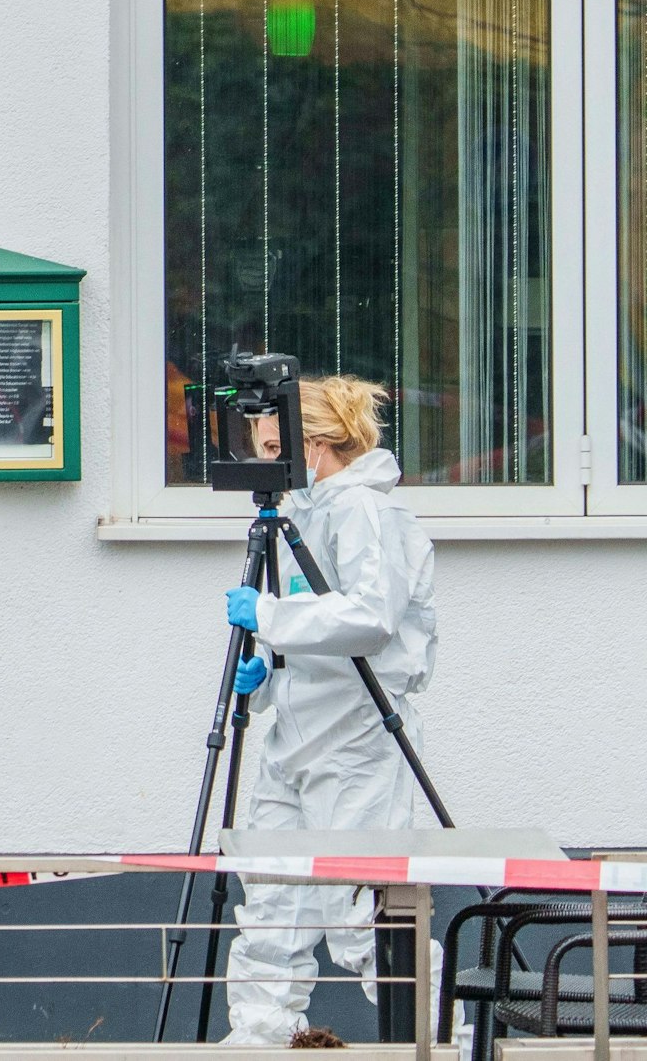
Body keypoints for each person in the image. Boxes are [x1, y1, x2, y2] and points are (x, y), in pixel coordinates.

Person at [218, 375, 440, 1045]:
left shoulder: (362, 511)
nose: (266, 467)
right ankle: (258, 1039)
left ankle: (431, 1040)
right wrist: (265, 675)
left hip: (354, 746)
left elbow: (370, 618)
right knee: (272, 907)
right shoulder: (306, 516)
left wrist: (272, 617)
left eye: (272, 450)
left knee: (360, 912)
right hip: (294, 737)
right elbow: (317, 630)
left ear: (313, 443)